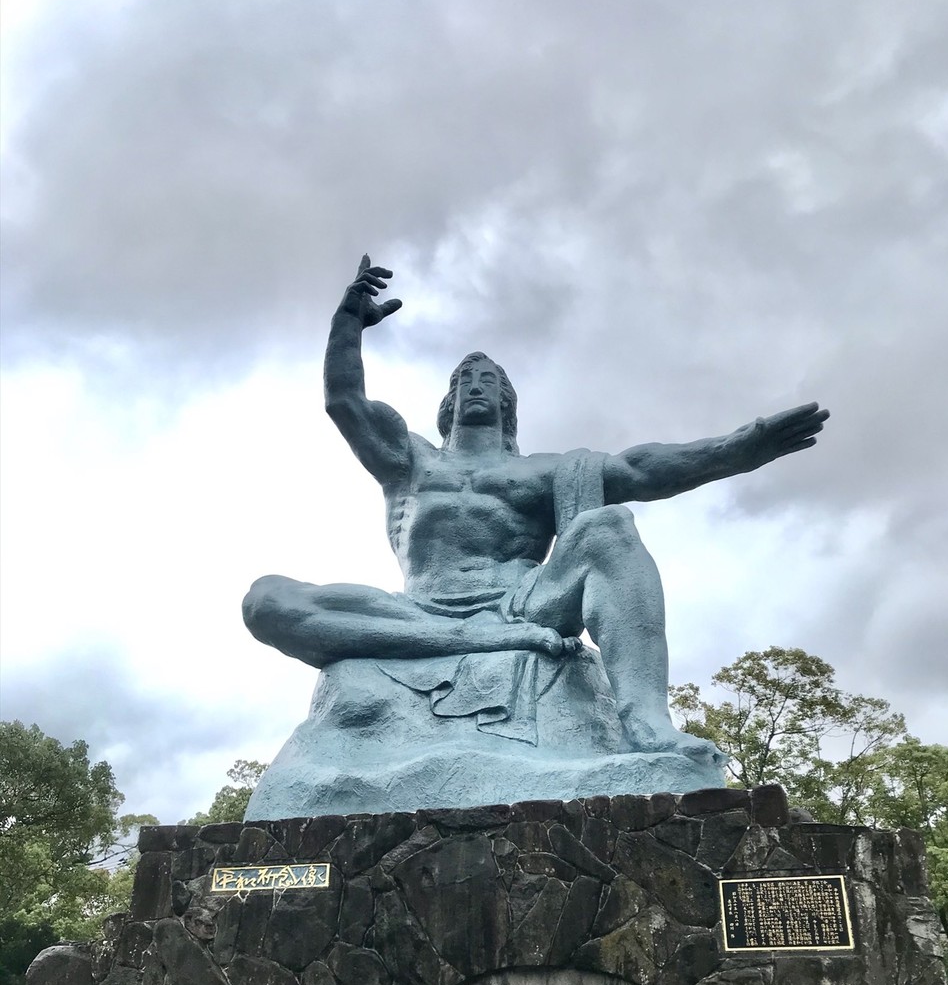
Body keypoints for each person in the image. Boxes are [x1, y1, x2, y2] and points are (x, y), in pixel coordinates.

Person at [244, 256, 828, 759]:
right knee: (266, 599)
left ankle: (648, 722)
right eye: (464, 379)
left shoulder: (545, 471)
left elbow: (642, 470)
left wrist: (736, 450)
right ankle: (474, 644)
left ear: (507, 402)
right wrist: (348, 324)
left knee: (609, 527)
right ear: (448, 402)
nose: (475, 385)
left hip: (521, 604)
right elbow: (345, 401)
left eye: (488, 380)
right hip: (418, 611)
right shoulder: (410, 459)